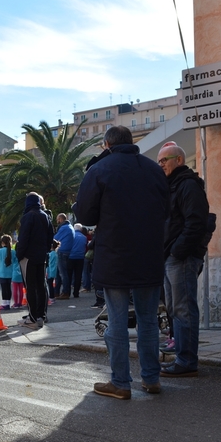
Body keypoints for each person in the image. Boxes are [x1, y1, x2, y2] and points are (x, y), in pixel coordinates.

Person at [74, 125, 169, 399]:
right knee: (148, 320)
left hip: (115, 255)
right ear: (131, 143)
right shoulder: (153, 169)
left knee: (116, 320)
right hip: (149, 255)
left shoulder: (100, 170)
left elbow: (86, 215)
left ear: (107, 144)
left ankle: (120, 382)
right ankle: (151, 378)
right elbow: (166, 210)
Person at [157, 143, 210, 378]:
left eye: (164, 160)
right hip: (172, 256)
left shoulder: (188, 185)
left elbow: (196, 222)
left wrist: (178, 251)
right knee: (175, 309)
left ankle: (187, 360)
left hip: (182, 257)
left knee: (183, 309)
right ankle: (182, 357)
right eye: (159, 162)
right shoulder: (173, 186)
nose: (162, 165)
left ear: (179, 160)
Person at [16, 192, 55, 328]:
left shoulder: (28, 216)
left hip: (28, 257)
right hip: (41, 255)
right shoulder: (45, 216)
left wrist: (19, 254)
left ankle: (32, 318)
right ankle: (41, 316)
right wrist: (45, 250)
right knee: (41, 285)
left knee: (30, 287)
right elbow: (51, 235)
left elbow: (23, 238)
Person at [53, 213, 75, 299]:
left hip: (62, 252)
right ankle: (56, 292)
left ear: (61, 219)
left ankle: (65, 292)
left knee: (62, 274)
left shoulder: (63, 228)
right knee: (59, 273)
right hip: (67, 252)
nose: (57, 221)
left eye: (57, 220)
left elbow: (55, 238)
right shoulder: (70, 227)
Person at [0, 234, 14, 311]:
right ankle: (8, 303)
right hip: (10, 272)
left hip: (2, 272)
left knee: (4, 288)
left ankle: (4, 303)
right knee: (8, 288)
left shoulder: (0, 251)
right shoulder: (13, 251)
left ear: (3, 243)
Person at [69, 224, 88, 298]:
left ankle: (67, 291)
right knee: (78, 275)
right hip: (80, 258)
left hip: (71, 257)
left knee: (69, 275)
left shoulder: (72, 236)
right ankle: (76, 293)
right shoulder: (84, 237)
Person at [46, 239, 59, 304]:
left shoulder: (50, 254)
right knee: (51, 285)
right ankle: (52, 296)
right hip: (54, 271)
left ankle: (51, 297)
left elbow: (48, 264)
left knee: (49, 285)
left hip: (49, 271)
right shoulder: (55, 254)